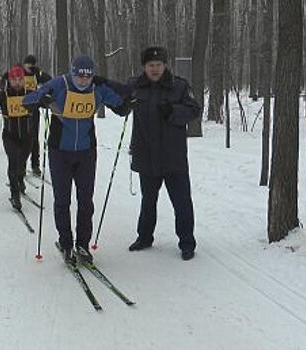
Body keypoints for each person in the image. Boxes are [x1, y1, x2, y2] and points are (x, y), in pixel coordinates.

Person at [23, 55, 133, 265]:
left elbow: (119, 105)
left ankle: (83, 244)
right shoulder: (59, 84)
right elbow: (28, 100)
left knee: (86, 201)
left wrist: (128, 105)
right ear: (72, 74)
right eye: (79, 77)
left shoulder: (97, 89)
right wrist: (40, 100)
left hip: (86, 152)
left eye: (88, 77)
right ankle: (66, 243)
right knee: (62, 201)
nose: (83, 81)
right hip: (59, 152)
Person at [127, 47, 200, 261]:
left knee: (182, 202)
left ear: (165, 65)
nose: (155, 69)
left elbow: (194, 110)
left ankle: (187, 243)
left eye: (159, 65)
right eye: (151, 65)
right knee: (148, 200)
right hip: (146, 154)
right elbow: (118, 101)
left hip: (173, 156)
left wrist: (173, 111)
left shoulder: (179, 86)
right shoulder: (135, 86)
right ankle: (144, 237)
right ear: (144, 67)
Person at [0, 65, 34, 210]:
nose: (17, 82)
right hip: (10, 135)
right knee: (13, 161)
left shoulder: (30, 93)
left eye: (20, 79)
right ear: (9, 80)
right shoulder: (4, 94)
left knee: (22, 163)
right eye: (14, 80)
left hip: (27, 136)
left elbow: (44, 100)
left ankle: (20, 179)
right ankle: (15, 194)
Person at [22, 54, 53, 177]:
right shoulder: (19, 73)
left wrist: (38, 72)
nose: (30, 66)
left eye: (33, 64)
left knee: (34, 138)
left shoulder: (37, 74)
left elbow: (49, 80)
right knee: (23, 138)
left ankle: (35, 165)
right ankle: (21, 166)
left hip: (34, 108)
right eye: (28, 64)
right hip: (22, 109)